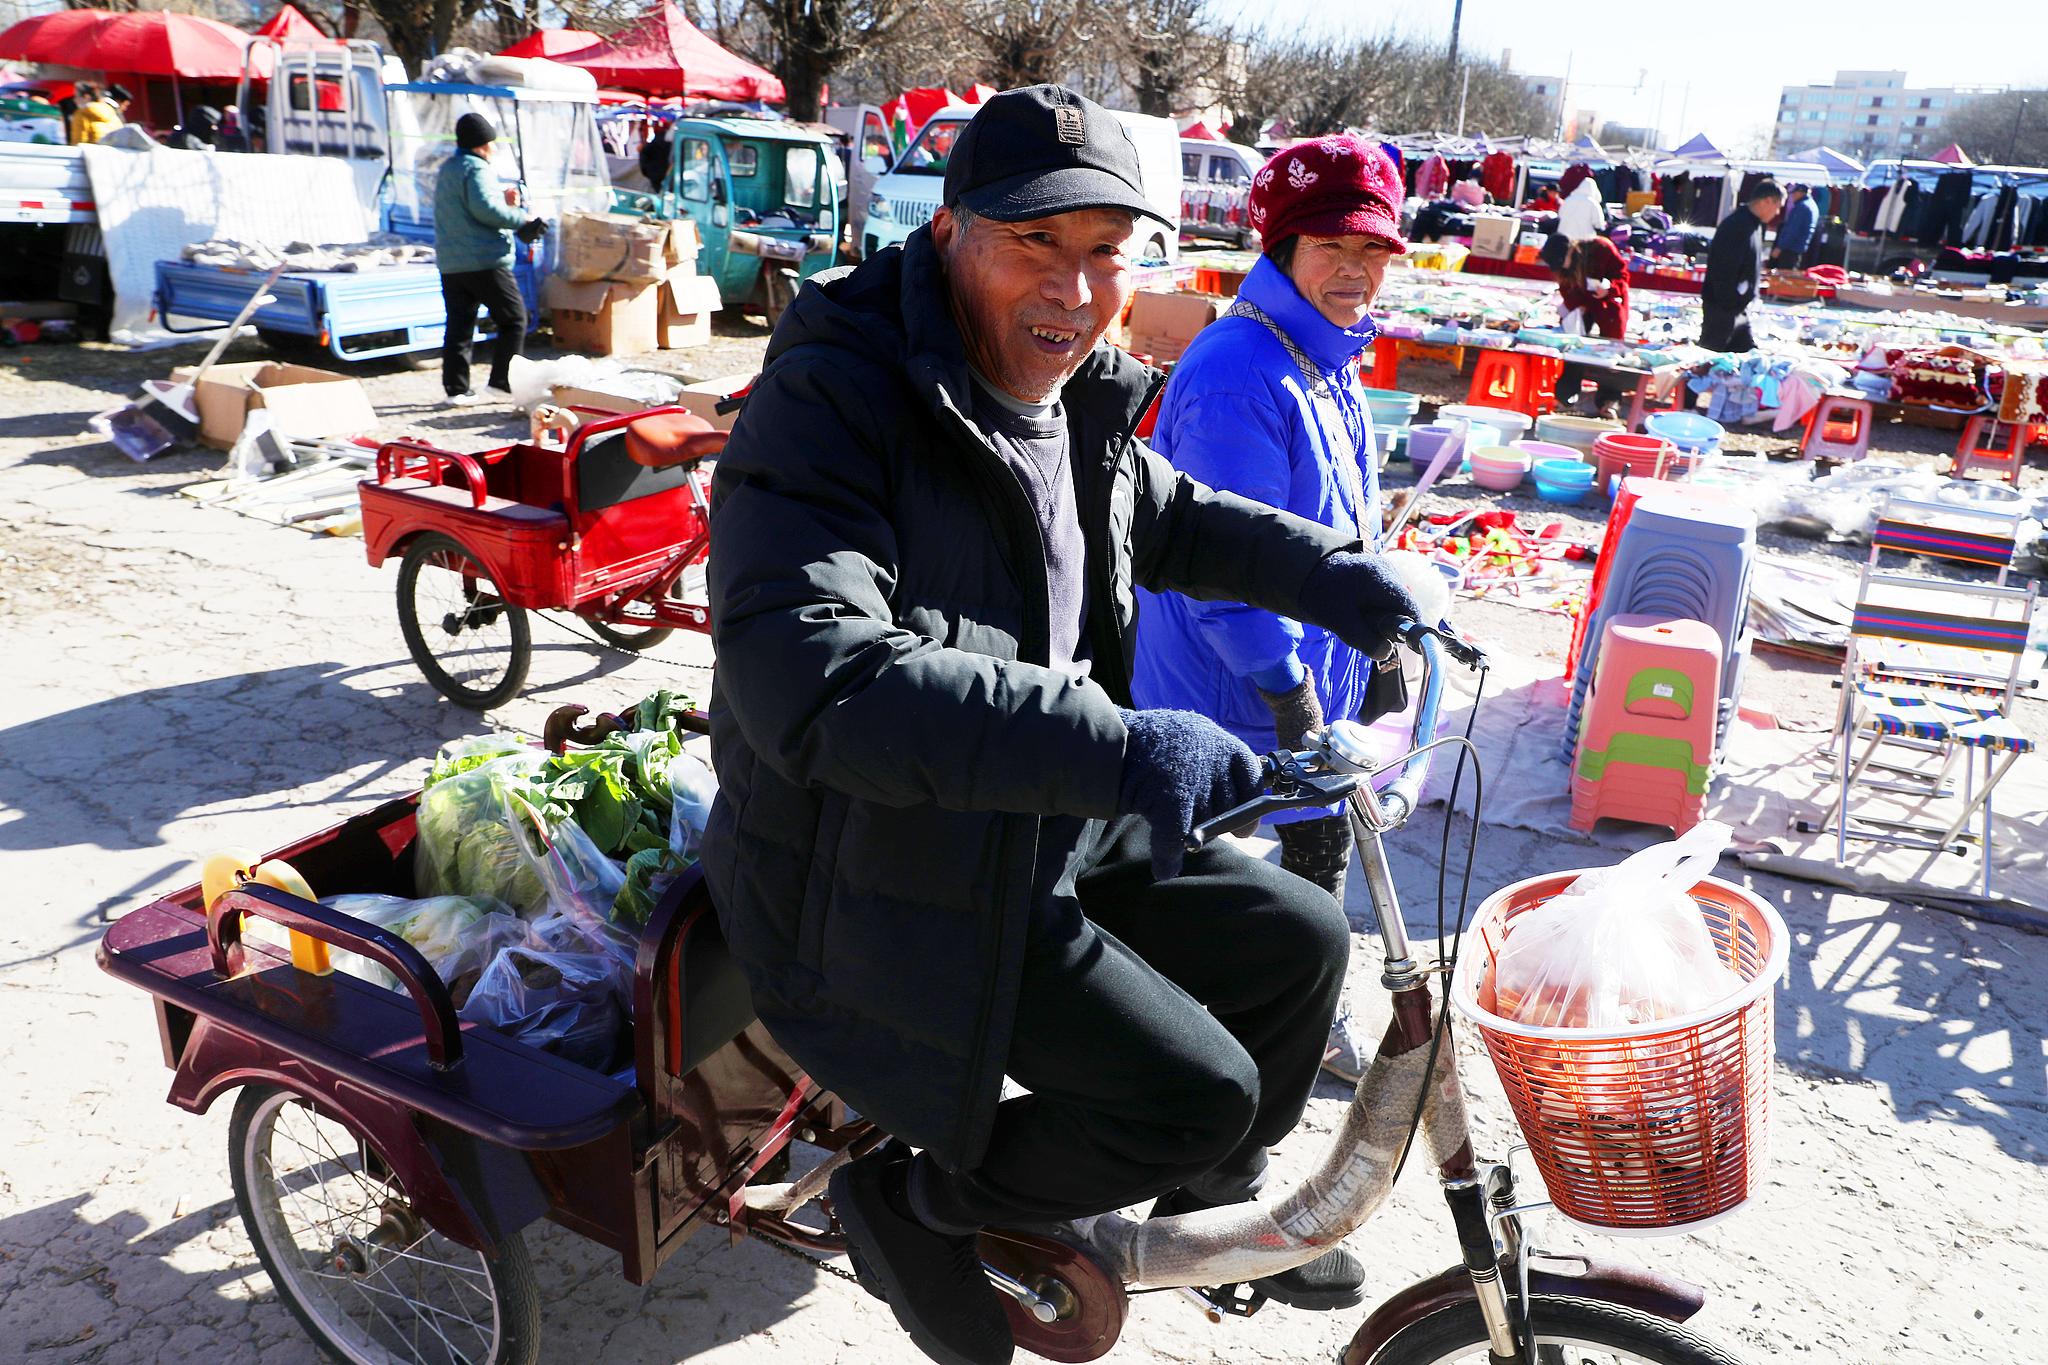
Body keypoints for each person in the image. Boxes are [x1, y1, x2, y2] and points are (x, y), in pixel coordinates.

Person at [701, 85, 1418, 1365]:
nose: (1076, 292)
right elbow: (811, 676)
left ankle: (1197, 1210)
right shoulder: (832, 401)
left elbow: (1173, 514)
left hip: (1033, 826)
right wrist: (1118, 743)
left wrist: (1337, 577)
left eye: (1105, 252)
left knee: (1300, 942)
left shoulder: (1072, 398)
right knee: (1192, 1094)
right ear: (946, 231)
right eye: (1035, 242)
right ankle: (915, 1204)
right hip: (864, 872)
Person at [1129, 134, 1404, 1086]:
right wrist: (1290, 691)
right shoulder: (1239, 369)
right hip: (1229, 681)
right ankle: (1182, 1044)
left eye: (1373, 251)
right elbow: (1222, 567)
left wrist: (1376, 635)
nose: (1356, 271)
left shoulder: (1329, 355)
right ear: (1283, 248)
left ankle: (1300, 1020)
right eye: (1334, 248)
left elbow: (1342, 517)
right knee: (1201, 874)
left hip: (1304, 673)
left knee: (1317, 850)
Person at [432, 112, 545, 407]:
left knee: (459, 324)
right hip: (484, 259)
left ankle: (456, 390)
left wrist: (502, 202)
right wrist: (522, 218)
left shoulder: (449, 168)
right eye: (492, 142)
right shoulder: (476, 168)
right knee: (515, 319)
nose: (494, 148)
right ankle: (501, 383)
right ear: (483, 144)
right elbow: (485, 211)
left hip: (452, 262)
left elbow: (469, 210)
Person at [1541, 232, 1632, 417]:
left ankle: (1609, 400)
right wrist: (1576, 305)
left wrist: (1609, 290)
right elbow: (1567, 289)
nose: (1562, 267)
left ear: (1569, 251)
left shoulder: (1601, 248)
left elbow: (1623, 277)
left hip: (1609, 305)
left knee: (1612, 350)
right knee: (1573, 346)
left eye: (1562, 260)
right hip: (1583, 307)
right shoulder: (1563, 269)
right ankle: (1566, 396)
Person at [1701, 179, 1782, 354]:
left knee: (1748, 354)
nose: (1777, 213)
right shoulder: (1737, 225)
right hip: (1722, 308)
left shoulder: (1752, 224)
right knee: (1710, 356)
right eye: (1777, 206)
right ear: (1767, 201)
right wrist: (1729, 304)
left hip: (1735, 309)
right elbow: (1723, 269)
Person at [1769, 183, 1815, 270]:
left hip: (1789, 249)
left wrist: (1780, 247)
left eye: (1794, 193)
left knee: (1784, 276)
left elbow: (1793, 230)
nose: (1792, 196)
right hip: (1797, 249)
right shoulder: (1811, 205)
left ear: (1801, 193)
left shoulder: (1801, 207)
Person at [1557, 175, 1606, 240]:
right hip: (1583, 240)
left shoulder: (1568, 199)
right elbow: (1598, 223)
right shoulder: (1593, 203)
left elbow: (1560, 216)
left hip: (1564, 237)